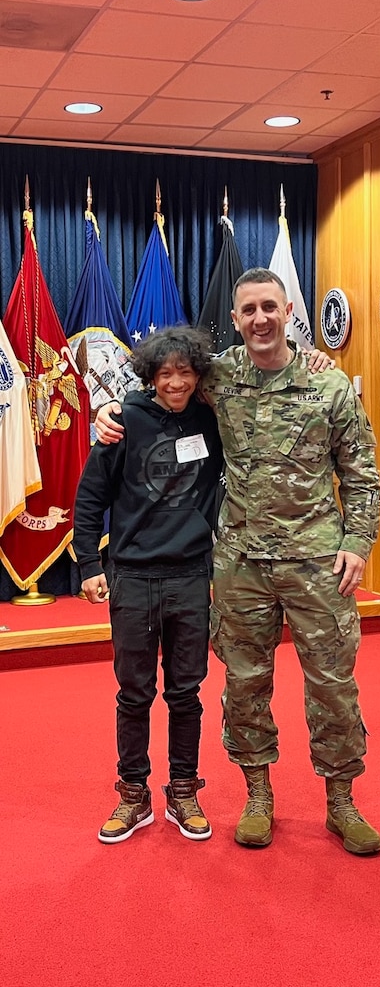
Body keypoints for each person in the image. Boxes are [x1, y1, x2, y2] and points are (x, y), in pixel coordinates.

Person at [95, 271, 380, 855]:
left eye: (269, 307)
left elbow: (361, 475)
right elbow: (160, 389)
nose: (259, 318)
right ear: (236, 317)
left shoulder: (330, 389)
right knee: (245, 685)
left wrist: (358, 541)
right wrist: (108, 412)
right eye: (248, 309)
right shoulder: (218, 376)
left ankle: (342, 802)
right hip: (241, 563)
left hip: (317, 563)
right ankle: (258, 797)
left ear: (287, 311)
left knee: (332, 685)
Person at [74, 327, 223, 844]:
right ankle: (133, 794)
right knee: (134, 693)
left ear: (198, 373)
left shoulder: (212, 418)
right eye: (166, 372)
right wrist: (90, 566)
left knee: (186, 693)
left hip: (189, 575)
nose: (176, 381)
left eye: (185, 371)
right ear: (151, 375)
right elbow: (91, 497)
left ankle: (183, 789)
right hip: (133, 576)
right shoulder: (124, 421)